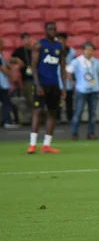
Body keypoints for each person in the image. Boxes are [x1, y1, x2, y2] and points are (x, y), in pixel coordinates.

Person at [28, 22, 66, 154]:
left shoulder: (59, 46)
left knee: (52, 113)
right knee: (37, 112)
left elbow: (62, 68)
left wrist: (64, 88)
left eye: (55, 29)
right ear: (45, 30)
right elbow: (33, 67)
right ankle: (32, 144)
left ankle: (46, 145)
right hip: (42, 84)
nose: (53, 31)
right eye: (50, 29)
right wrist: (37, 85)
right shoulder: (39, 45)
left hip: (54, 84)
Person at [67, 42, 99, 140]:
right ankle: (74, 133)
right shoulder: (77, 61)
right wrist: (74, 82)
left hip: (94, 90)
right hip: (82, 90)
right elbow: (68, 71)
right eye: (87, 49)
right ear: (83, 50)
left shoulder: (96, 62)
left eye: (91, 49)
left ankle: (91, 133)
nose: (89, 52)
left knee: (93, 113)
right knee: (78, 112)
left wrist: (95, 82)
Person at [10, 33, 34, 122]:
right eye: (25, 39)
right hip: (27, 78)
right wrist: (17, 60)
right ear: (22, 40)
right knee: (30, 97)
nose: (27, 41)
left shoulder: (34, 50)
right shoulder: (20, 50)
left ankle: (38, 115)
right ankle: (37, 115)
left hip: (36, 77)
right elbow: (10, 59)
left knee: (36, 97)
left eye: (28, 38)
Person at [56, 32, 76, 123]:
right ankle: (57, 117)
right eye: (58, 39)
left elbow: (75, 65)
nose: (60, 41)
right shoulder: (54, 51)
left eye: (62, 39)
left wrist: (74, 79)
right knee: (58, 101)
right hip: (58, 79)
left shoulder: (71, 51)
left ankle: (70, 117)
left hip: (68, 79)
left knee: (69, 100)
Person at [0, 38, 19, 129]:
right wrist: (12, 76)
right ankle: (7, 121)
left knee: (6, 102)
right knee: (6, 102)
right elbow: (2, 69)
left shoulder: (1, 55)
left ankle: (7, 120)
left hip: (3, 83)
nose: (3, 45)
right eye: (1, 43)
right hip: (1, 84)